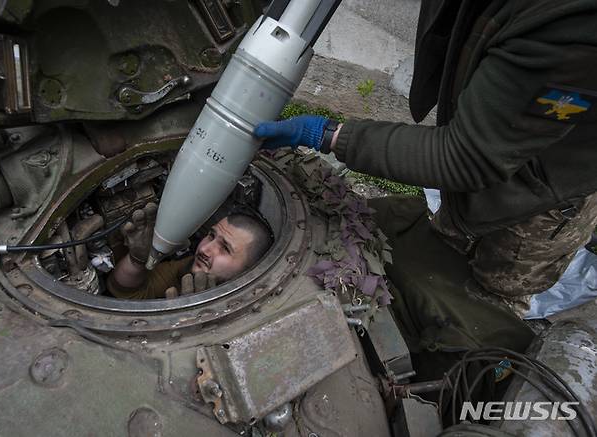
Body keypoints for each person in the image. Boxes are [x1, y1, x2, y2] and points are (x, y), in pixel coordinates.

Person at [254, 0, 597, 318]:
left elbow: (464, 158)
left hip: (546, 198)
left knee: (496, 297)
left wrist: (328, 134)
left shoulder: (574, 31)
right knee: (444, 247)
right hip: (492, 144)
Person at [107, 202, 272, 299]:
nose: (205, 248)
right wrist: (136, 261)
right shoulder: (190, 266)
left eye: (225, 248)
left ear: (249, 273)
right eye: (211, 236)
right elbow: (129, 293)